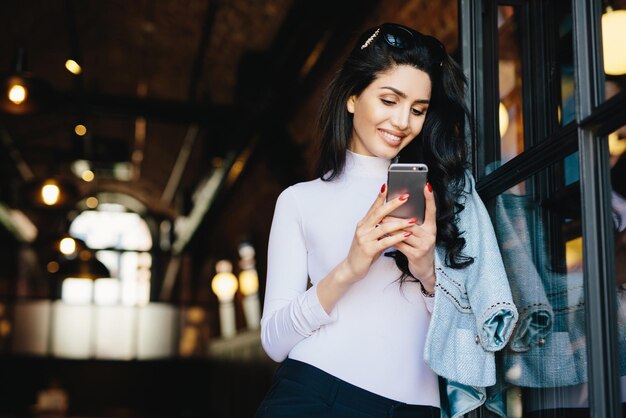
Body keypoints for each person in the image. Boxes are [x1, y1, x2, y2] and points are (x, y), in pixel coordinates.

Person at [255, 22, 517, 418]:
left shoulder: (447, 193)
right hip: (315, 393)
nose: (402, 122)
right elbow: (274, 342)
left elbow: (478, 328)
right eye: (389, 100)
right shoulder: (299, 201)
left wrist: (429, 271)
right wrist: (349, 268)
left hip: (414, 408)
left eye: (417, 110)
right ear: (352, 97)